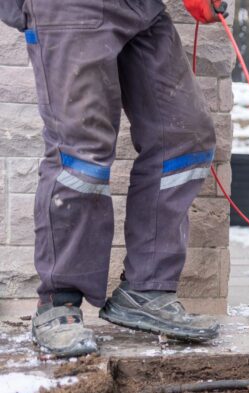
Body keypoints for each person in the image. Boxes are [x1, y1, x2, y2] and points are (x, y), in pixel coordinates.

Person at [0, 0, 228, 358]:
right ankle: (59, 303)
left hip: (141, 7)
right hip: (70, 8)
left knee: (184, 136)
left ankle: (146, 289)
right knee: (81, 152)